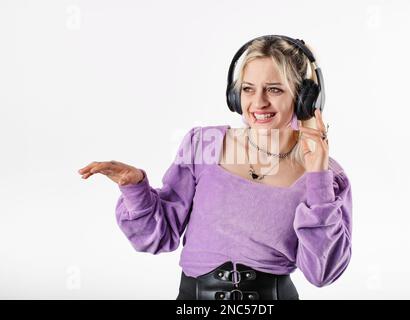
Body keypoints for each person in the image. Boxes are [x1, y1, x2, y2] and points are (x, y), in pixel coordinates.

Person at [78, 35, 352, 300]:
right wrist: (134, 186)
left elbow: (323, 273)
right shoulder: (204, 144)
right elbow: (158, 237)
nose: (258, 102)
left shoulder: (328, 177)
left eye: (275, 89)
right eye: (248, 89)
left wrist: (317, 175)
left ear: (305, 98)